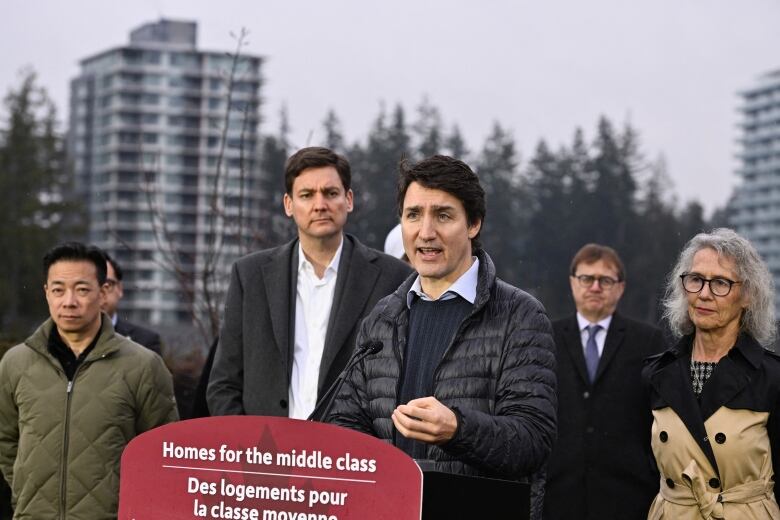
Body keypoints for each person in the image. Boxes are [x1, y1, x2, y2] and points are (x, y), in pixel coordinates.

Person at [325, 155, 557, 519]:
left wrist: (457, 429)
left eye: (443, 216)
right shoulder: (381, 319)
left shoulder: (520, 315)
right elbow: (345, 424)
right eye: (413, 215)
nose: (426, 232)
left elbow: (532, 440)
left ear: (474, 224)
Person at [207, 146, 412, 419]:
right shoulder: (250, 276)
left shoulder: (392, 277)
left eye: (330, 193)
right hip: (263, 451)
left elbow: (402, 380)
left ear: (348, 199)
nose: (320, 205)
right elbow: (224, 383)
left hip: (351, 452)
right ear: (288, 205)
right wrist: (246, 449)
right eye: (306, 195)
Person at [0, 242, 178, 519]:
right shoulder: (16, 363)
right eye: (58, 290)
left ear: (103, 291)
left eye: (82, 289)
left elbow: (162, 454)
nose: (68, 301)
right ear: (46, 292)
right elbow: (6, 441)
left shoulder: (143, 366)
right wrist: (27, 493)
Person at [643, 228, 780, 519]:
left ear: (747, 296)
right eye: (695, 280)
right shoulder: (655, 374)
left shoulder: (772, 378)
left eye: (720, 283)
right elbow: (642, 472)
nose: (704, 294)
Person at [544, 244, 664, 519]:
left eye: (605, 280)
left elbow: (659, 419)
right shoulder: (545, 337)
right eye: (587, 278)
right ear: (573, 283)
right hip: (558, 496)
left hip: (628, 497)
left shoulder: (647, 341)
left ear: (620, 287)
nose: (595, 287)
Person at [102, 252, 163, 354]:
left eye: (107, 285)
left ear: (120, 289)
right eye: (85, 288)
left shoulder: (144, 343)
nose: (100, 293)